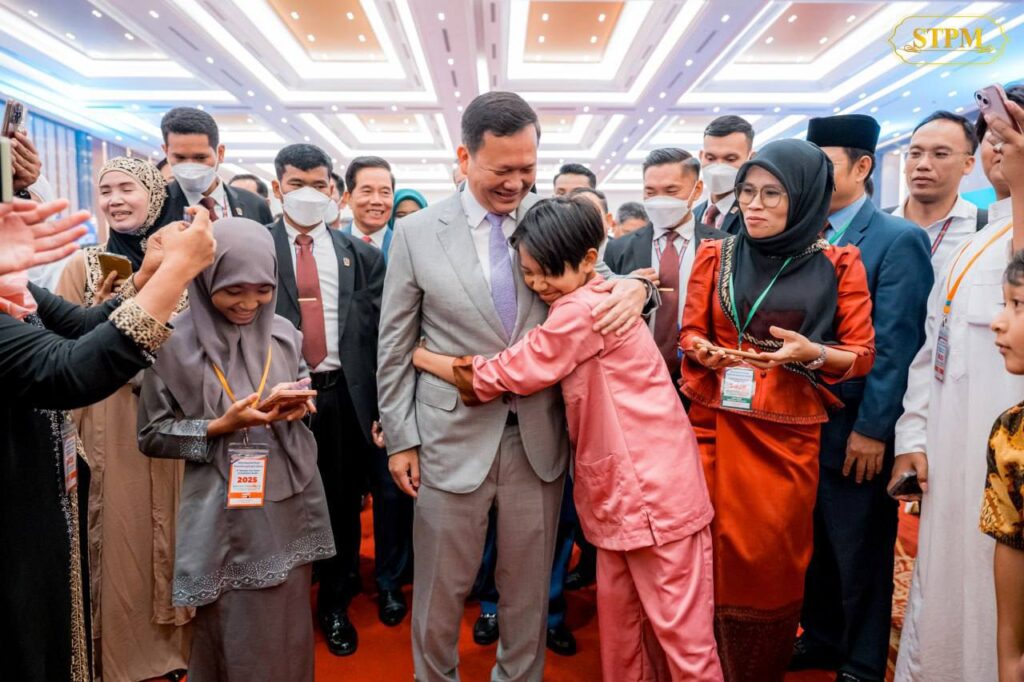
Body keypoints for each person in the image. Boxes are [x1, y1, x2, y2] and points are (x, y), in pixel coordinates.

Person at [377, 90, 651, 682]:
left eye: (528, 168)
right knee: (440, 587)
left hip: (538, 435)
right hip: (448, 435)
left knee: (528, 589)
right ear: (464, 157)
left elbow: (602, 282)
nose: (516, 183)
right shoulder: (418, 232)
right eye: (502, 169)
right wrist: (401, 438)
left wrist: (642, 288)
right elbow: (395, 343)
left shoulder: (547, 218)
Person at [411, 195, 723, 681]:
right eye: (527, 273)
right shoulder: (594, 294)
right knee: (624, 626)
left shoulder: (582, 310)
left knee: (684, 640)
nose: (537, 285)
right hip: (621, 490)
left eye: (547, 274)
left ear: (589, 260)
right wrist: (637, 285)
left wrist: (423, 357)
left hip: (651, 490)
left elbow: (506, 372)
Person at [680, 138, 876, 681]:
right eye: (747, 191)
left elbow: (861, 355)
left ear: (806, 197)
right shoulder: (715, 255)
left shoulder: (838, 263)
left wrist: (812, 353)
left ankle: (751, 668)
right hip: (712, 420)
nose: (754, 205)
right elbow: (690, 331)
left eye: (773, 194)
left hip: (785, 434)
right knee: (700, 547)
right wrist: (703, 350)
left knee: (768, 558)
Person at [0, 198, 215, 682]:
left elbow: (79, 327)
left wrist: (146, 277)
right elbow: (67, 370)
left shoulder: (14, 287)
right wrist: (174, 275)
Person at [138, 218, 332, 682]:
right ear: (205, 280)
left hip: (288, 500)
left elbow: (295, 385)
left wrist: (297, 407)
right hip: (223, 512)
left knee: (289, 619)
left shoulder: (283, 332)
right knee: (236, 625)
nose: (248, 303)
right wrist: (219, 427)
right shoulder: (170, 342)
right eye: (233, 290)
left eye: (263, 290)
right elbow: (151, 435)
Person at [890, 84, 1024, 682]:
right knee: (943, 595)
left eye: (1009, 138)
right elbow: (930, 352)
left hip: (1005, 471)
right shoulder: (975, 240)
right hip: (951, 456)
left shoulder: (1013, 238)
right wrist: (913, 436)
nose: (998, 149)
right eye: (992, 138)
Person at [794, 115, 933, 682]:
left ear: (862, 166)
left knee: (861, 550)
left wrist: (873, 430)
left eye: (824, 166)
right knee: (815, 547)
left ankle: (862, 661)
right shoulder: (800, 233)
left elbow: (898, 347)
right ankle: (821, 637)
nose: (812, 178)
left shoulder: (898, 239)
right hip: (800, 422)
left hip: (856, 424)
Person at [55, 157, 192, 682]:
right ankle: (122, 658)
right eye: (106, 189)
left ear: (154, 194)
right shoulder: (85, 266)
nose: (115, 199)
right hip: (108, 419)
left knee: (179, 526)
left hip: (176, 410)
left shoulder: (184, 260)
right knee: (120, 531)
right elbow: (61, 349)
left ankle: (181, 650)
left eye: (127, 188)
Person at [267, 143, 388, 653]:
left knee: (340, 505)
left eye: (319, 185)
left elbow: (380, 338)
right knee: (277, 504)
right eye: (297, 184)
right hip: (275, 400)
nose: (309, 194)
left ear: (334, 191)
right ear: (278, 189)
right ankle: (281, 602)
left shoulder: (361, 256)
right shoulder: (257, 246)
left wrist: (380, 409)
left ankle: (335, 604)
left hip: (340, 398)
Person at [605, 147, 726, 382]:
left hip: (704, 374)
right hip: (634, 375)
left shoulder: (724, 245)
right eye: (650, 192)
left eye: (671, 191)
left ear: (696, 190)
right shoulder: (619, 248)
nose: (660, 200)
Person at [982, 249, 1024, 682]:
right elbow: (1011, 544)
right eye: (1004, 303)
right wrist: (1010, 664)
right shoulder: (1010, 434)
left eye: (1019, 305)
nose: (997, 322)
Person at [887, 111, 985, 273]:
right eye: (915, 154)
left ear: (967, 164)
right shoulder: (876, 225)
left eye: (940, 154)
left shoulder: (983, 229)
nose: (923, 165)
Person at [154, 107, 273, 226]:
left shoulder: (255, 205)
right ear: (166, 152)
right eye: (180, 158)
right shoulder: (155, 206)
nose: (190, 167)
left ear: (220, 153)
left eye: (200, 157)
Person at [693, 115, 755, 235]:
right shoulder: (694, 215)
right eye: (710, 158)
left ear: (750, 159)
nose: (718, 168)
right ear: (701, 156)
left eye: (730, 159)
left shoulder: (754, 215)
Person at [341, 156, 395, 261]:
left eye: (385, 192)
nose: (377, 201)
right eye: (367, 191)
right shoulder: (331, 245)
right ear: (348, 198)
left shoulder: (406, 247)